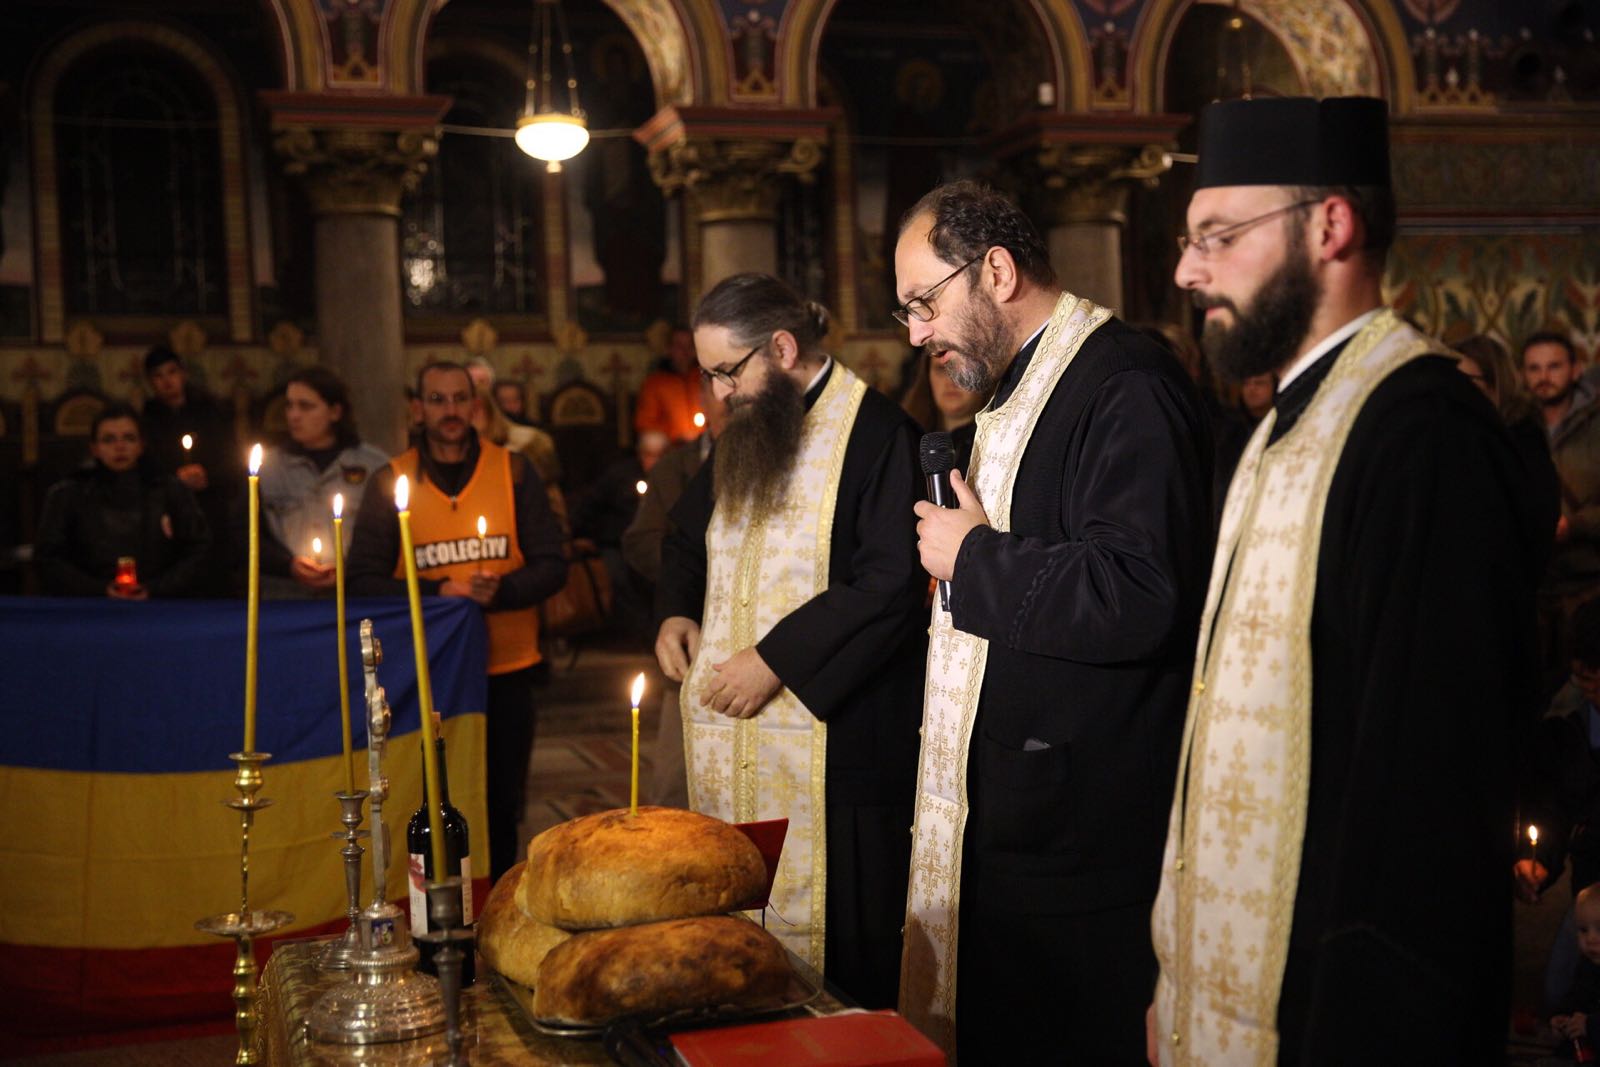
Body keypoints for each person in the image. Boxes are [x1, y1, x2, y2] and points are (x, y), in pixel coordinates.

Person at [1149, 97, 1546, 1065]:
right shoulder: (1278, 428)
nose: (1187, 270)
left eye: (1218, 235)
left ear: (1330, 225)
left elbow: (1428, 812)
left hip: (1336, 1017)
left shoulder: (1424, 435)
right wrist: (1177, 984)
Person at [894, 181, 1213, 1063]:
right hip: (1017, 824)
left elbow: (1139, 591)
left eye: (924, 302)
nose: (917, 333)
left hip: (1082, 842)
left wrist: (973, 559)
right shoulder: (1022, 382)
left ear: (996, 271)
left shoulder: (1125, 383)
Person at [655, 273, 927, 1010]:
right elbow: (683, 537)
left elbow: (890, 586)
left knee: (842, 967)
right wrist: (675, 613)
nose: (718, 394)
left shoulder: (879, 435)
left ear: (780, 348)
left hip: (839, 751)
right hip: (731, 744)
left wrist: (775, 659)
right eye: (709, 375)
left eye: (727, 371)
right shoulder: (749, 430)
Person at [347, 361, 566, 880]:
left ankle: (495, 901)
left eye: (459, 399)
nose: (450, 410)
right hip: (427, 675)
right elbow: (362, 580)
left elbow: (554, 565)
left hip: (505, 670)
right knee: (425, 799)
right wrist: (438, 592)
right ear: (417, 409)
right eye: (437, 400)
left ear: (476, 406)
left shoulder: (513, 471)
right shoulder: (391, 481)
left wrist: (502, 590)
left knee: (500, 800)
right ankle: (431, 904)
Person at [623, 381, 728, 809]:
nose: (729, 399)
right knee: (676, 785)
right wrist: (700, 573)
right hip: (693, 637)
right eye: (716, 388)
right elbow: (642, 541)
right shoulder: (676, 467)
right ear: (702, 399)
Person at [1517, 597, 1600, 1015]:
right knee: (1560, 995)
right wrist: (1538, 860)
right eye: (1583, 676)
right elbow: (1551, 804)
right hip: (1591, 893)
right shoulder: (1566, 724)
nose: (1588, 685)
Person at [36, 404, 210, 598]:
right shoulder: (68, 493)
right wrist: (99, 589)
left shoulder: (169, 490)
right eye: (109, 439)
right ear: (94, 448)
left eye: (129, 438)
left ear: (141, 445)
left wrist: (155, 589)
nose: (120, 447)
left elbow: (198, 549)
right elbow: (48, 557)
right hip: (90, 604)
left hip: (159, 603)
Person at [253, 367, 388, 599]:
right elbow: (247, 535)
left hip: (353, 595)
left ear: (335, 412)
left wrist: (352, 569)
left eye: (305, 406)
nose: (294, 415)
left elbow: (386, 536)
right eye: (289, 406)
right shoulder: (267, 468)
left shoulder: (374, 465)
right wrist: (288, 565)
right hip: (287, 598)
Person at [1524, 331, 1600, 693]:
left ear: (1575, 369)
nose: (1544, 377)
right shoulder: (1516, 426)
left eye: (1553, 366)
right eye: (1534, 368)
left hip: (1589, 585)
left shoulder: (1595, 428)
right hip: (1534, 590)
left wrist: (1575, 525)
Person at [140, 345, 239, 594]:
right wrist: (176, 479)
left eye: (171, 372)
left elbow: (230, 458)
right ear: (150, 382)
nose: (167, 381)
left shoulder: (211, 411)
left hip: (212, 503)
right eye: (158, 376)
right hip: (171, 507)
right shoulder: (148, 419)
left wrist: (207, 476)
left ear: (183, 374)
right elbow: (148, 466)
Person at [897, 351, 989, 470]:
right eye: (942, 369)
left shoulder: (997, 441)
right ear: (927, 376)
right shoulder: (907, 439)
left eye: (963, 368)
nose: (951, 381)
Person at [1552, 883, 1600, 1058]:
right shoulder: (1588, 964)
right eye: (1583, 930)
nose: (1591, 939)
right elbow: (1577, 996)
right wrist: (1563, 1017)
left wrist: (1590, 1025)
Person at [635, 327, 703, 442]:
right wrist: (674, 436)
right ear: (669, 349)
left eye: (689, 345)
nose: (685, 351)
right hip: (670, 446)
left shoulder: (704, 379)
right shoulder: (654, 383)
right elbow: (645, 422)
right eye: (679, 346)